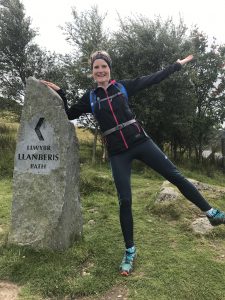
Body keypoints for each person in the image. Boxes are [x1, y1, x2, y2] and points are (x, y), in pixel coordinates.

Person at [41, 50, 225, 276]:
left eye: (103, 67)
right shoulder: (90, 97)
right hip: (118, 153)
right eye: (96, 68)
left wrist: (177, 64)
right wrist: (61, 92)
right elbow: (69, 113)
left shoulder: (123, 87)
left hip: (140, 141)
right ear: (92, 72)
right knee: (125, 200)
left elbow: (154, 78)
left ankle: (211, 212)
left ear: (109, 69)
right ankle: (130, 251)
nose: (100, 71)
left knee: (175, 176)